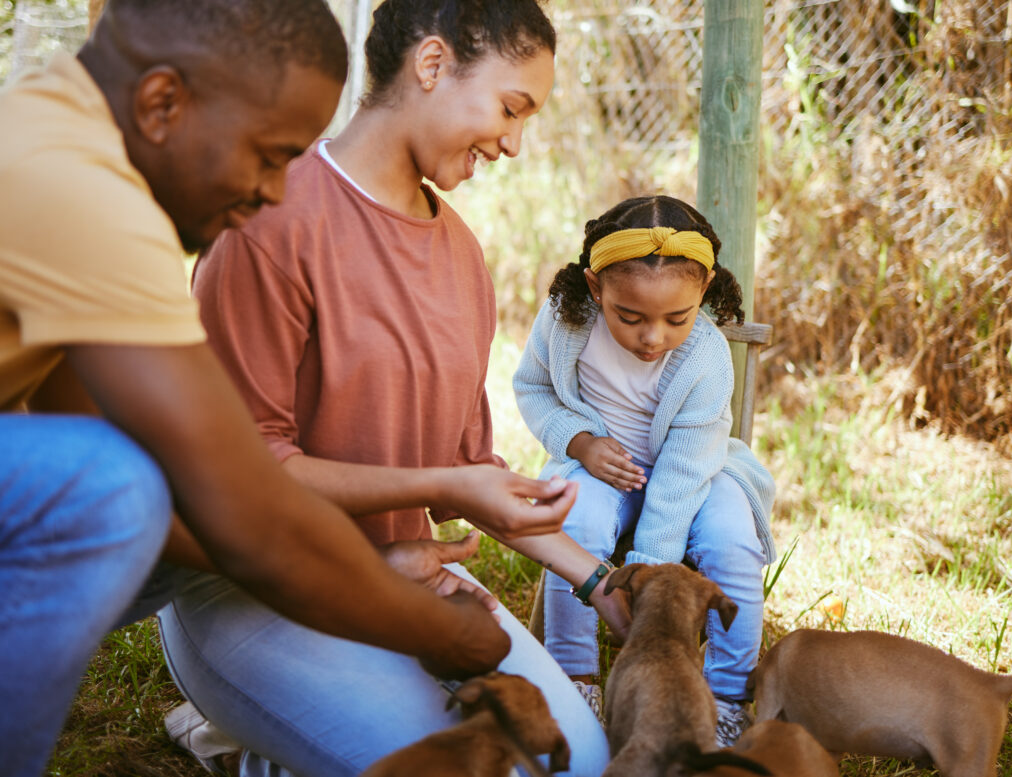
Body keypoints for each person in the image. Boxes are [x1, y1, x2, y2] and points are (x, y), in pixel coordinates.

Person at [0, 1, 570, 773]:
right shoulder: (82, 194)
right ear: (163, 103)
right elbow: (240, 507)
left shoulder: (59, 142)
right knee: (121, 484)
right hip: (226, 589)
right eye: (268, 155)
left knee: (120, 473)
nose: (276, 193)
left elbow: (92, 446)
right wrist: (434, 629)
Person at [155, 1, 610, 775]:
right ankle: (247, 732)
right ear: (431, 66)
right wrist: (447, 481)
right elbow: (243, 479)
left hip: (405, 569)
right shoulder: (268, 220)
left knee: (577, 761)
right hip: (249, 586)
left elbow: (473, 477)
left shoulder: (464, 259)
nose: (514, 142)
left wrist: (602, 583)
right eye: (511, 107)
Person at [511, 195, 778, 747]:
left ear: (702, 290)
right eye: (629, 317)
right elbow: (532, 388)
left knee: (733, 542)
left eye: (675, 318)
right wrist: (581, 443)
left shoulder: (703, 356)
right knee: (573, 521)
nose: (652, 337)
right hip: (604, 467)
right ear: (595, 288)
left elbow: (683, 475)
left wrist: (649, 569)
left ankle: (727, 697)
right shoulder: (565, 324)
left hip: (699, 471)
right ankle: (574, 679)